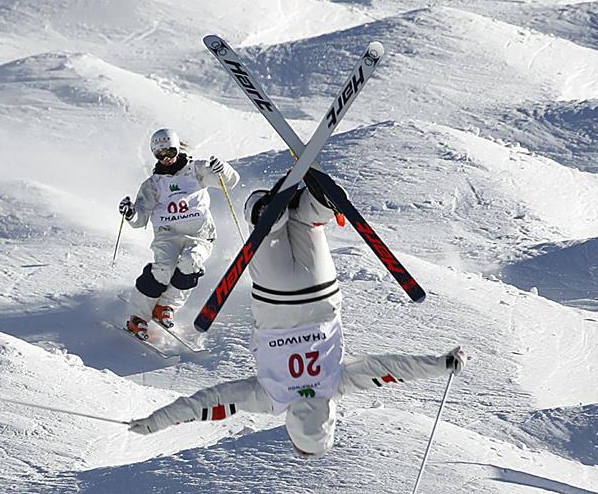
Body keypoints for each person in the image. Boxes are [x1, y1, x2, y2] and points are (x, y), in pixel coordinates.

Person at [128, 172, 468, 457]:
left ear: (330, 418)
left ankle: (317, 204)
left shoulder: (336, 384)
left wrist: (441, 365)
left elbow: (393, 370)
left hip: (320, 290)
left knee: (308, 222)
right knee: (266, 225)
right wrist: (155, 422)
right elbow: (206, 405)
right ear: (292, 426)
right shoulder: (270, 399)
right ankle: (265, 213)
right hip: (275, 296)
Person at [119, 128, 240, 340]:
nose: (166, 159)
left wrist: (224, 170)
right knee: (163, 269)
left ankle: (165, 305)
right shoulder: (153, 184)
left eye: (170, 152)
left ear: (177, 148)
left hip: (199, 234)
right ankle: (137, 317)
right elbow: (140, 219)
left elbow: (229, 182)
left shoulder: (197, 170)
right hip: (168, 234)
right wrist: (130, 214)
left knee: (190, 264)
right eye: (160, 155)